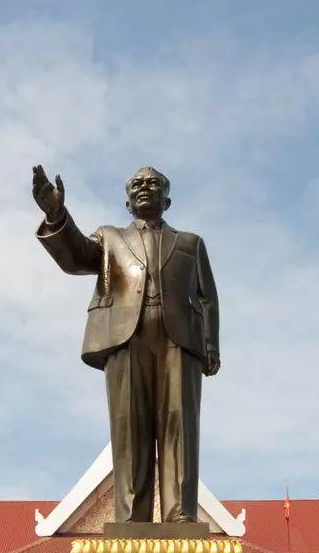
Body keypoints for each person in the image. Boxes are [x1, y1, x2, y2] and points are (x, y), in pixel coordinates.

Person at [32, 163, 220, 525]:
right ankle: (132, 515)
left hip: (178, 339)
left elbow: (208, 297)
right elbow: (75, 258)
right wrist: (56, 214)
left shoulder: (190, 244)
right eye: (137, 184)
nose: (144, 188)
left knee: (179, 424)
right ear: (127, 200)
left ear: (167, 198)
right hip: (125, 335)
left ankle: (179, 512)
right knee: (129, 426)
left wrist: (210, 346)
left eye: (153, 184)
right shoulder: (109, 238)